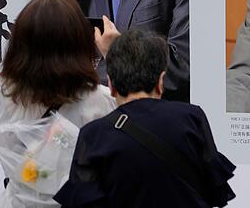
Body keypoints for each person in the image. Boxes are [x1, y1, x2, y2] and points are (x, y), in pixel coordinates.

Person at [55, 29, 236, 207]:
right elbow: (216, 193)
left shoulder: (93, 135)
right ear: (161, 81)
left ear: (111, 84)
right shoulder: (192, 118)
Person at [0, 0, 116, 207]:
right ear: (79, 42)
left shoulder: (4, 94)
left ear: (19, 46)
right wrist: (114, 55)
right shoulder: (100, 100)